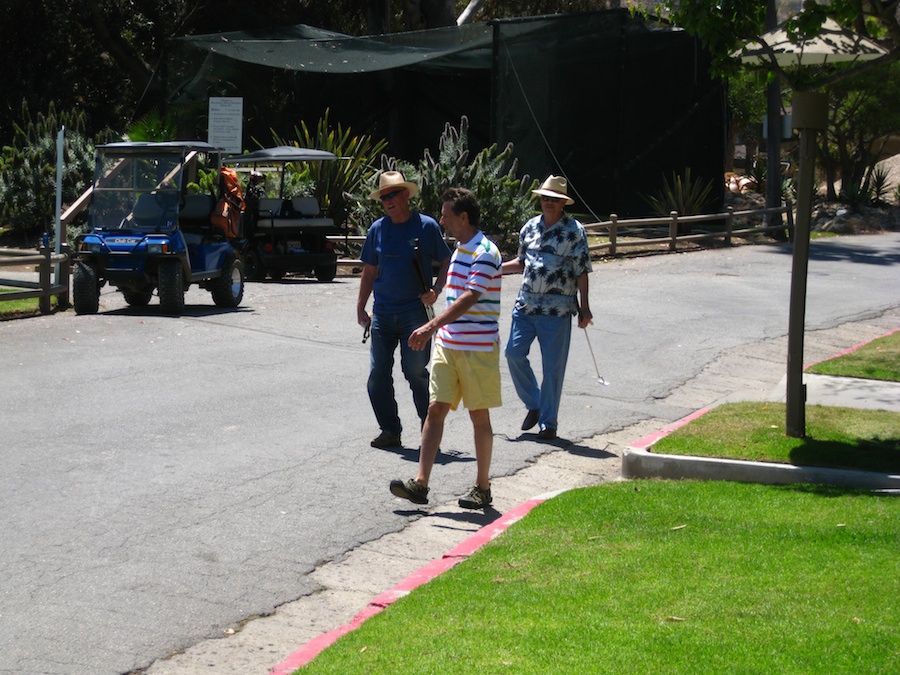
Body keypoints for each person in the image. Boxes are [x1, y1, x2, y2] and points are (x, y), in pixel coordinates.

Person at [389, 187, 502, 510]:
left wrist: (429, 326)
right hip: (449, 345)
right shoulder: (458, 250)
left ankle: (483, 487)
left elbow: (470, 297)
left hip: (477, 348)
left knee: (478, 416)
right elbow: (453, 293)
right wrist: (437, 298)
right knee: (435, 410)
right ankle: (420, 483)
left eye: (446, 214)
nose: (441, 220)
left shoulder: (485, 251)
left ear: (463, 217)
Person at [357, 171, 451, 449]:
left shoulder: (426, 226)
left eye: (392, 195)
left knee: (416, 373)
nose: (387, 201)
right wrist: (361, 307)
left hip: (414, 315)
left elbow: (446, 259)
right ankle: (390, 430)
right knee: (377, 375)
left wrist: (436, 290)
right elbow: (369, 271)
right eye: (383, 197)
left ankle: (428, 428)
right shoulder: (378, 230)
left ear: (406, 195)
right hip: (383, 313)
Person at [501, 175, 593, 441]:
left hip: (557, 310)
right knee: (513, 354)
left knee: (553, 367)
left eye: (554, 199)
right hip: (526, 306)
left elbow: (582, 271)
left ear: (563, 203)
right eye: (545, 198)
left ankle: (548, 423)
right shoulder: (529, 227)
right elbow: (521, 262)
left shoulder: (575, 231)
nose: (548, 203)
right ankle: (535, 403)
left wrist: (585, 308)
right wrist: (493, 269)